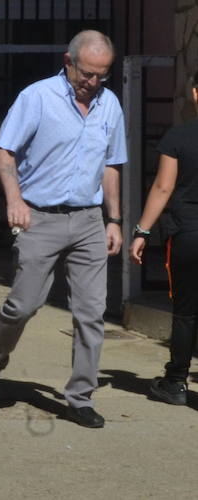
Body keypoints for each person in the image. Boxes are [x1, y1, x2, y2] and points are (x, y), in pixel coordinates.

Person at [0, 30, 125, 428]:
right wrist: (14, 200)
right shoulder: (37, 97)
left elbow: (111, 164)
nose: (93, 83)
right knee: (24, 305)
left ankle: (80, 396)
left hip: (89, 220)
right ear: (68, 61)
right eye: (87, 73)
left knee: (92, 312)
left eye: (101, 75)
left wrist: (115, 219)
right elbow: (3, 149)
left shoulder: (110, 105)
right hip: (40, 216)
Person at [130, 69, 198, 406]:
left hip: (187, 235)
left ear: (195, 94)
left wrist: (141, 231)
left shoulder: (178, 137)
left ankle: (175, 383)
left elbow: (163, 186)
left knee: (186, 312)